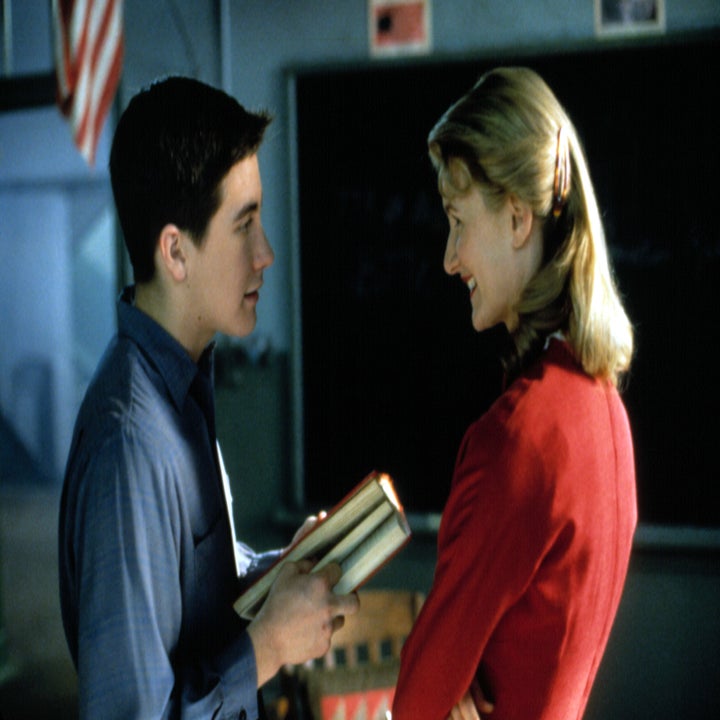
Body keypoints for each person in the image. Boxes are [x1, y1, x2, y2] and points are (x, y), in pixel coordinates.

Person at [58, 76, 358, 720]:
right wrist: (268, 646)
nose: (265, 254)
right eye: (243, 226)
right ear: (176, 252)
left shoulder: (180, 392)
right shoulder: (130, 447)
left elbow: (184, 595)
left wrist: (280, 571)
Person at [391, 67, 637, 720]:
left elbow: (416, 704)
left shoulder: (516, 437)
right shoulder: (603, 409)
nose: (448, 257)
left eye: (456, 220)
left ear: (518, 218)